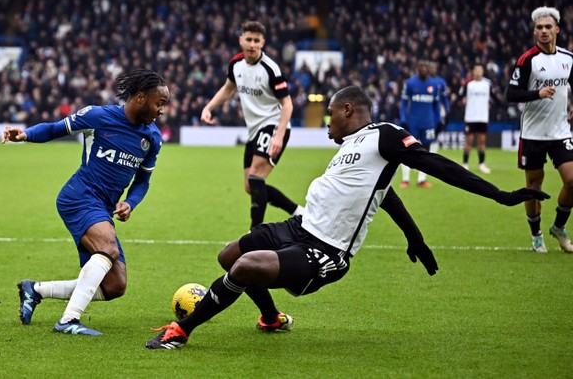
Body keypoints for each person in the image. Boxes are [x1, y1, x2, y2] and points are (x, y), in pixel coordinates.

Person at [146, 85, 549, 349]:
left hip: (326, 252)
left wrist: (499, 196)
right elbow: (384, 196)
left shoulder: (385, 135)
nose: (326, 123)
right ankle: (271, 319)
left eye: (330, 116)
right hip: (298, 228)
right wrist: (415, 237)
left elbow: (436, 164)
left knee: (247, 266)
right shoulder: (351, 146)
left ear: (348, 109)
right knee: (229, 255)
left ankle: (180, 332)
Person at [3, 69, 170, 335]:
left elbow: (143, 181)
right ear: (140, 97)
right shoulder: (99, 116)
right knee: (108, 248)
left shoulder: (152, 138)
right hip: (80, 196)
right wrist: (26, 135)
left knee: (115, 285)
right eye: (159, 103)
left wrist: (131, 202)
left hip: (103, 207)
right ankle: (68, 320)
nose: (162, 110)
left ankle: (35, 290)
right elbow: (55, 128)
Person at [200, 21, 303, 228]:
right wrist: (208, 108)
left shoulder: (270, 69)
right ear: (241, 40)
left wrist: (279, 136)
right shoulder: (236, 64)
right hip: (255, 131)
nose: (252, 44)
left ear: (263, 43)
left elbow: (287, 104)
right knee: (251, 186)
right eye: (249, 39)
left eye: (257, 41)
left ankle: (254, 233)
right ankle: (299, 213)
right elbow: (228, 89)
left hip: (273, 125)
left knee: (255, 178)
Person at [507, 6, 573, 254]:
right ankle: (536, 235)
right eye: (539, 28)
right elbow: (510, 94)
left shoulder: (568, 58)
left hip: (560, 132)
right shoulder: (527, 60)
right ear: (534, 32)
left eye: (548, 27)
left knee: (572, 180)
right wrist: (537, 93)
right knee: (534, 187)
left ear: (557, 29)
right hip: (533, 134)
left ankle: (558, 227)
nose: (544, 31)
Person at [399, 60, 440, 188]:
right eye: (421, 66)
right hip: (413, 123)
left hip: (428, 123)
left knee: (425, 152)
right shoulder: (410, 83)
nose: (423, 68)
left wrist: (438, 121)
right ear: (417, 68)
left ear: (428, 69)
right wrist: (403, 119)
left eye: (425, 66)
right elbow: (403, 103)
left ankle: (421, 180)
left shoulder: (433, 85)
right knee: (407, 150)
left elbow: (436, 105)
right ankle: (405, 180)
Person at [460, 64, 495, 174]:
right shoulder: (468, 84)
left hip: (483, 117)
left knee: (481, 141)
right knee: (469, 141)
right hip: (470, 117)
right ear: (473, 71)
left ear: (483, 71)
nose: (478, 72)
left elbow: (493, 98)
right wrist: (462, 101)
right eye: (476, 70)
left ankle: (481, 164)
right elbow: (460, 96)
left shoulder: (487, 84)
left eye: (480, 70)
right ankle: (465, 164)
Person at [428, 61, 450, 154]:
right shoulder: (425, 81)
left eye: (434, 68)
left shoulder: (441, 82)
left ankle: (434, 141)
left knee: (439, 125)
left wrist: (447, 109)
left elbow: (444, 98)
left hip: (438, 108)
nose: (433, 69)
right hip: (427, 108)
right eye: (431, 67)